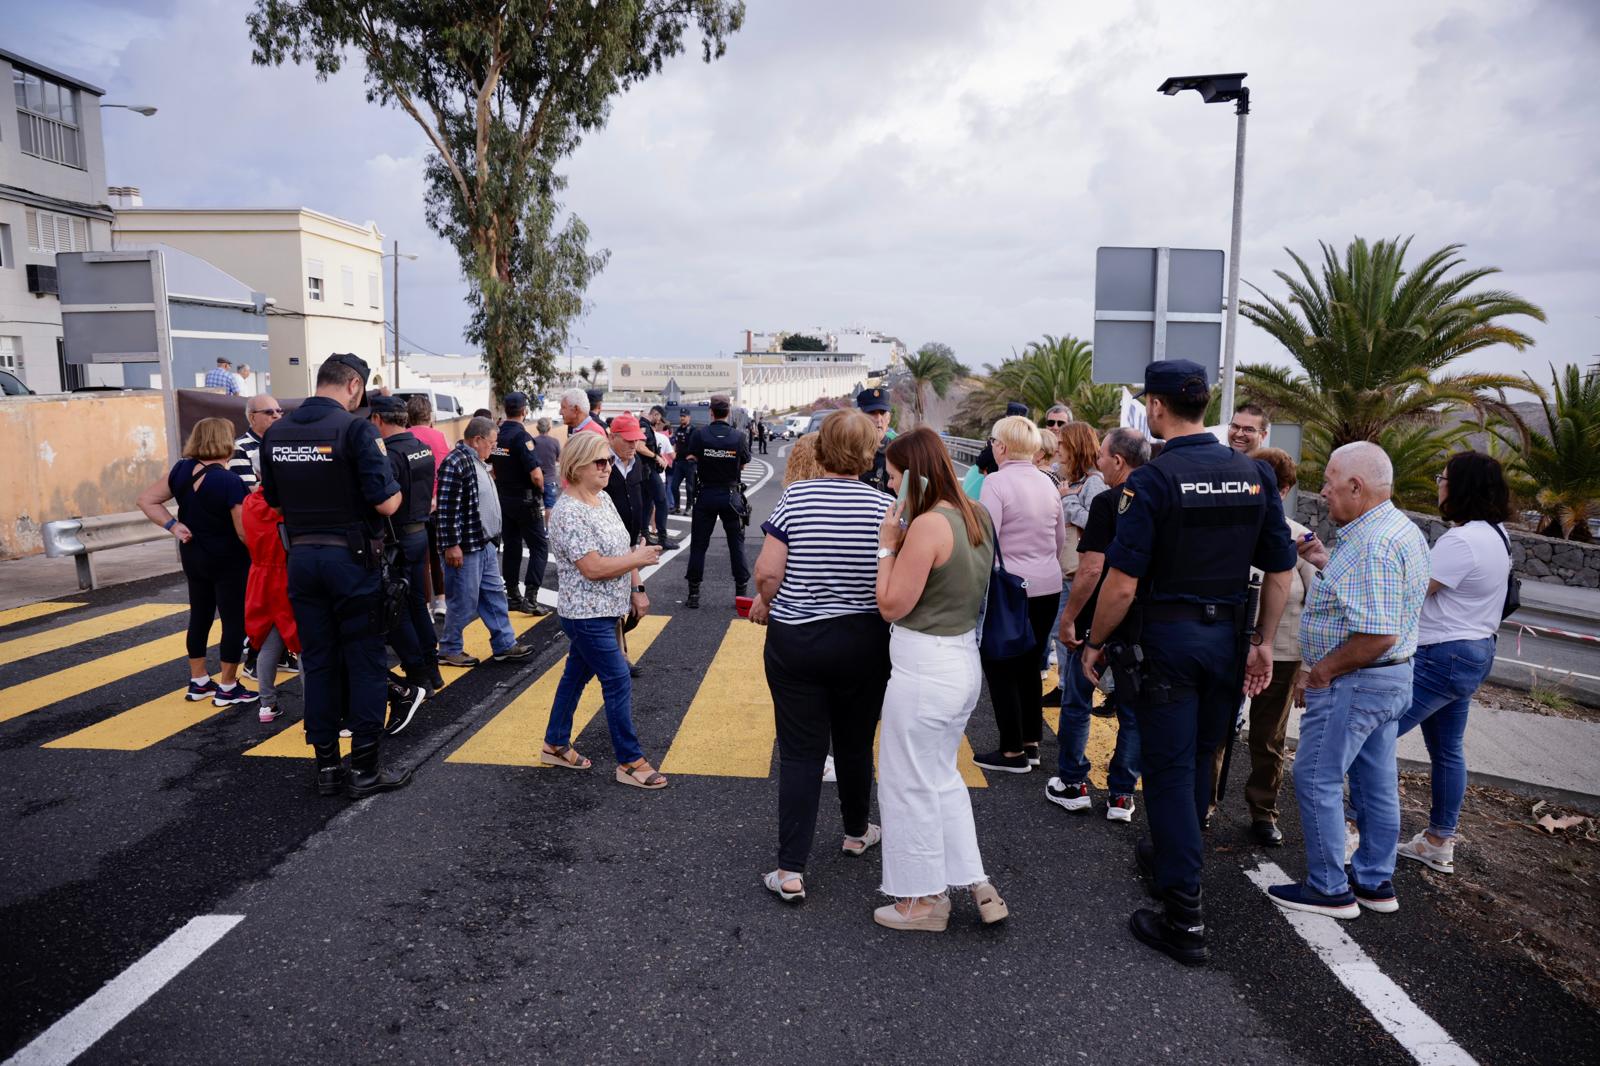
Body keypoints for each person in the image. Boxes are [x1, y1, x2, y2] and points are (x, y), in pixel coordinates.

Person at [1079, 359, 1295, 965]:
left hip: (1167, 645)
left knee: (1169, 772)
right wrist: (1262, 641)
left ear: (1155, 407)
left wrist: (1093, 644)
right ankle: (1170, 856)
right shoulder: (1254, 476)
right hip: (1227, 642)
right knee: (1200, 760)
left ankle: (1185, 916)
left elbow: (1120, 584)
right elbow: (1280, 570)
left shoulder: (1151, 481)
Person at [1266, 441, 1430, 921]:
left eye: (1331, 483)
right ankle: (1375, 881)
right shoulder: (1396, 528)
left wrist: (1320, 672)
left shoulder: (1372, 545)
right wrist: (1322, 560)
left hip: (1356, 681)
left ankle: (1328, 888)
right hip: (1391, 680)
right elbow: (1372, 602)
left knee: (1315, 775)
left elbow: (1377, 633)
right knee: (1376, 780)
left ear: (1356, 487)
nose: (1324, 492)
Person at [748, 411, 892, 903]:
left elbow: (768, 571)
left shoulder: (795, 498)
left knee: (801, 752)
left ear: (823, 449)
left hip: (797, 640)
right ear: (869, 452)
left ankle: (791, 871)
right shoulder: (883, 505)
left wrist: (769, 602)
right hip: (863, 641)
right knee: (855, 742)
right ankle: (856, 831)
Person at [259, 354, 417, 797]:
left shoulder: (277, 432)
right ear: (353, 385)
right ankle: (365, 769)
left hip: (302, 561)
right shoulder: (356, 430)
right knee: (365, 663)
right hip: (350, 562)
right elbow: (386, 504)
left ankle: (327, 768)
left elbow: (273, 499)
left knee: (319, 662)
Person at [872, 427, 1008, 931]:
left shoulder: (928, 525)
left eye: (891, 479)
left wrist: (887, 547)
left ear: (912, 477)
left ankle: (920, 901)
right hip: (959, 662)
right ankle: (975, 881)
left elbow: (891, 605)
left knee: (907, 783)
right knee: (941, 777)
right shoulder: (976, 514)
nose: (888, 489)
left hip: (923, 667)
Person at [1390, 452, 1512, 875]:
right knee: (1447, 750)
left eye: (1443, 477)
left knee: (1376, 735)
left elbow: (1412, 592)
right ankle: (1439, 840)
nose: (1438, 484)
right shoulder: (1498, 535)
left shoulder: (1461, 541)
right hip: (1474, 652)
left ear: (1461, 488)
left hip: (1442, 654)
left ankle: (1356, 828)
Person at [1206, 447, 1319, 846]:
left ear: (1283, 490)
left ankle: (1263, 812)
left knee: (1268, 739)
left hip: (1284, 654)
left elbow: (1319, 595)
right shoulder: (1227, 526)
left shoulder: (1297, 536)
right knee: (1216, 729)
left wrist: (1308, 665)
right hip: (1229, 648)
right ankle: (1205, 803)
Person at [542, 431, 667, 788]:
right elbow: (593, 567)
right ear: (576, 465)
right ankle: (630, 761)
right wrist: (638, 559)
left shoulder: (602, 499)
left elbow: (624, 547)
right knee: (617, 679)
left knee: (575, 678)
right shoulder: (569, 512)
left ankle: (554, 743)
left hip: (606, 610)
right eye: (599, 461)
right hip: (584, 614)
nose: (606, 466)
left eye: (608, 460)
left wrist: (636, 586)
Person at [1047, 427, 1148, 822]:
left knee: (1077, 699)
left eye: (1103, 457)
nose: (1098, 463)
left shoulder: (1109, 503)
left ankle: (1073, 783)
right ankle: (1122, 795)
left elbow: (1091, 569)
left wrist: (1069, 618)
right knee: (1132, 710)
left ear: (1119, 462)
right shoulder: (1160, 501)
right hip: (1141, 624)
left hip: (1098, 621)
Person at [137, 417, 256, 707]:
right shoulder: (229, 481)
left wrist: (173, 526)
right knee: (233, 621)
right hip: (228, 559)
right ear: (225, 440)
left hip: (193, 555)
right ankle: (228, 686)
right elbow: (242, 530)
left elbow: (147, 500)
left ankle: (199, 680)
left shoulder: (181, 470)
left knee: (200, 615)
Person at [971, 415, 1066, 774]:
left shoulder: (995, 483)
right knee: (1029, 662)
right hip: (1048, 583)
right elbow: (1058, 540)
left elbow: (985, 540)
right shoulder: (1047, 483)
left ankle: (1011, 751)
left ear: (1002, 446)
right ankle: (1031, 741)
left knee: (999, 663)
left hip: (1011, 586)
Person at [435, 417, 537, 668]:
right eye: (491, 443)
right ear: (477, 439)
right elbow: (447, 509)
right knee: (463, 600)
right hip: (466, 547)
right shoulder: (456, 462)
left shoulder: (476, 461)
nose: (493, 447)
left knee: (494, 597)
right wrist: (451, 545)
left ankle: (504, 644)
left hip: (484, 544)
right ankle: (449, 648)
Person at [369, 395, 444, 718]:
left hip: (397, 537)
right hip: (419, 532)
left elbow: (383, 498)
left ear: (377, 420)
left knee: (396, 610)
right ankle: (430, 667)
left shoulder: (390, 454)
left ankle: (417, 673)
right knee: (416, 603)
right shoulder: (420, 447)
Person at [1043, 420, 1106, 686]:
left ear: (1075, 446)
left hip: (1078, 571)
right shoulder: (1072, 478)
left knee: (1070, 636)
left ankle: (1069, 687)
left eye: (1062, 444)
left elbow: (1095, 523)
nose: (1058, 449)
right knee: (1060, 633)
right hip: (1066, 569)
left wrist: (1067, 499)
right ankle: (1064, 686)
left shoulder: (1093, 482)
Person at [683, 394, 751, 609]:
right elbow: (743, 464)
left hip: (706, 494)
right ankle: (741, 593)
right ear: (728, 412)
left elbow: (690, 458)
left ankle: (694, 594)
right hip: (731, 495)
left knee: (699, 546)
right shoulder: (738, 437)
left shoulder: (700, 434)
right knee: (736, 545)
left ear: (711, 412)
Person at [242, 483, 299, 723]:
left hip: (259, 575)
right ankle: (314, 705)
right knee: (302, 643)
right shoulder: (290, 502)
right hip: (288, 573)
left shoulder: (250, 502)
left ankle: (266, 704)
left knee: (267, 643)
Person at [491, 392, 552, 617]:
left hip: (504, 499)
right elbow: (536, 475)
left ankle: (513, 596)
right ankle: (531, 598)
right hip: (526, 501)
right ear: (525, 410)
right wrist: (543, 491)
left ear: (505, 410)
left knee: (512, 546)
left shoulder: (497, 435)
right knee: (539, 547)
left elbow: (493, 466)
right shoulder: (522, 437)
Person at [404, 394, 450, 621]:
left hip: (415, 505)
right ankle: (442, 600)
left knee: (421, 559)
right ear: (429, 415)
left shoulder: (405, 437)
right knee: (437, 554)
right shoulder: (440, 437)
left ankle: (425, 606)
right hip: (439, 502)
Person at [604, 413, 648, 548]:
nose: (633, 445)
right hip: (608, 539)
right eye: (628, 440)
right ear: (612, 437)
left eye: (636, 440)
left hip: (632, 537)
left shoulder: (637, 461)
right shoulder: (601, 461)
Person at [637, 406, 678, 548]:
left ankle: (645, 536)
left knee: (648, 504)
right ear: (655, 414)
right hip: (648, 471)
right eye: (659, 418)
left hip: (645, 471)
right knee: (662, 502)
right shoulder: (644, 425)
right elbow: (639, 446)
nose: (659, 421)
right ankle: (662, 538)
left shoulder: (644, 425)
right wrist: (657, 457)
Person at [229, 394, 282, 490]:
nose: (276, 415)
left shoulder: (284, 443)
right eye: (269, 412)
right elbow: (248, 490)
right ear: (252, 418)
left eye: (279, 411)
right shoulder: (239, 448)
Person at [856, 387, 894, 494]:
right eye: (872, 412)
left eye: (882, 412)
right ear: (860, 418)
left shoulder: (898, 452)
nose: (878, 419)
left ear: (889, 418)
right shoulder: (850, 452)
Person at [669, 410, 698, 513]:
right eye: (681, 416)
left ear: (689, 417)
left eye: (684, 416)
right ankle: (677, 506)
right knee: (674, 486)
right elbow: (676, 443)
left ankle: (688, 507)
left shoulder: (693, 430)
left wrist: (694, 456)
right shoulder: (679, 429)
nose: (682, 418)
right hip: (679, 462)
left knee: (689, 487)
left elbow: (698, 445)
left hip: (689, 463)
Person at [533, 417, 563, 511]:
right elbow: (559, 459)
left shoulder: (532, 441)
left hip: (535, 480)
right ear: (549, 428)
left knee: (535, 507)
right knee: (550, 506)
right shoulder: (555, 442)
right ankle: (548, 526)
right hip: (550, 480)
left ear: (537, 428)